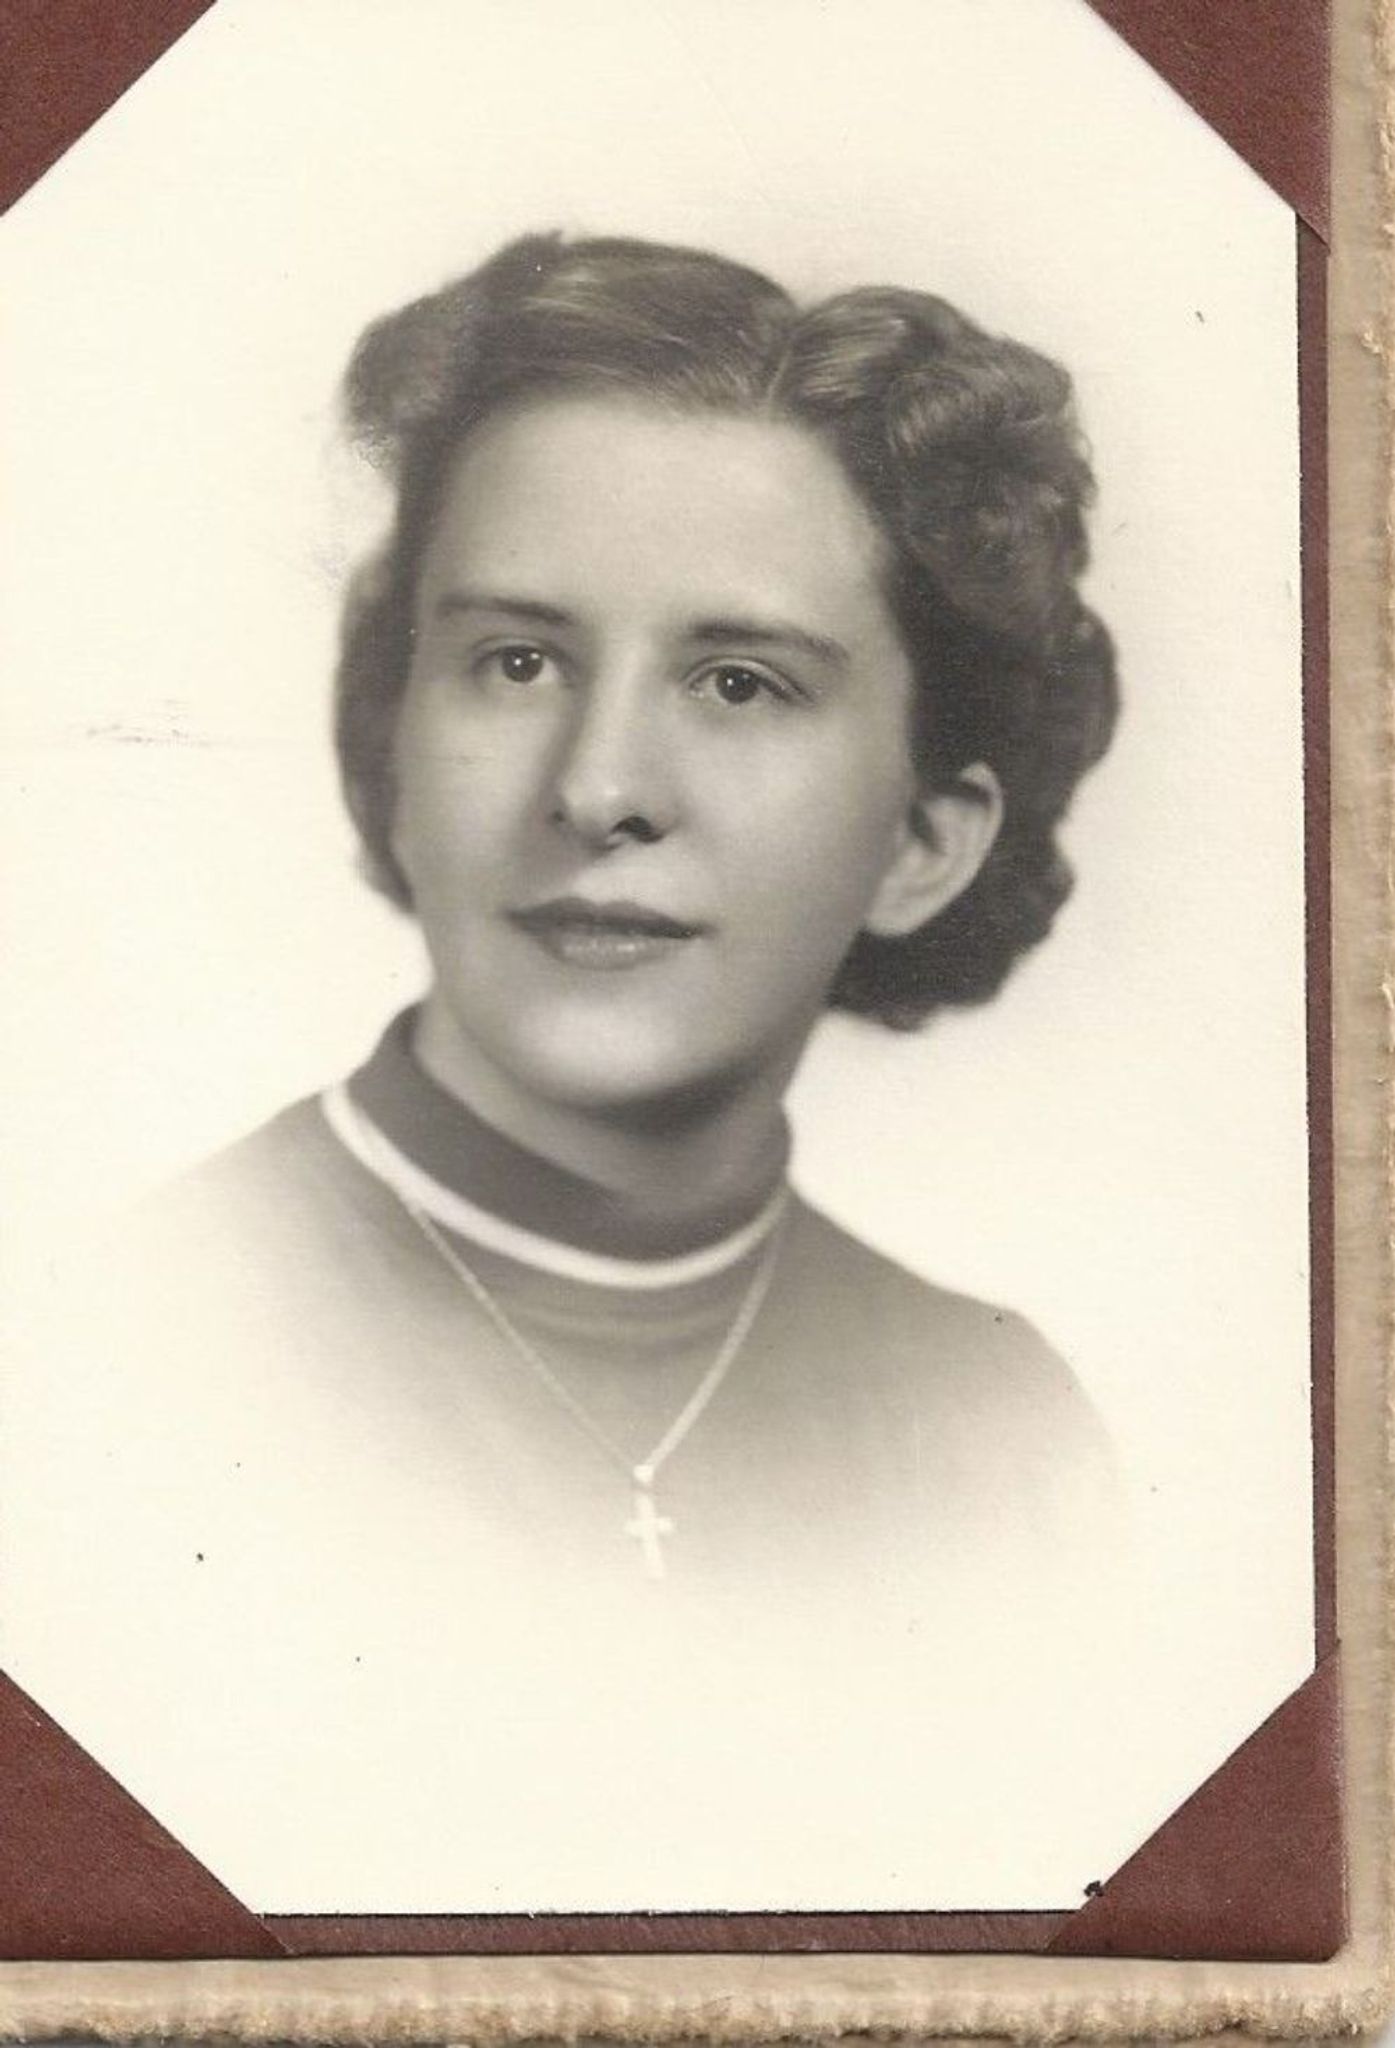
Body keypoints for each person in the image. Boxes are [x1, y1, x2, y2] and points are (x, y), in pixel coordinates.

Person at [1, 233, 1123, 1913]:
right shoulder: (89, 1366)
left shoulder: (1005, 1437)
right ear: (391, 746)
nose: (599, 788)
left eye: (738, 681)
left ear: (922, 842)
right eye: (516, 661)